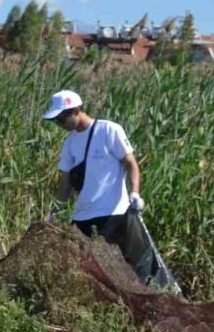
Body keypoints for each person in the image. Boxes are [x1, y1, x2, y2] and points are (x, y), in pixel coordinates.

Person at [43, 89, 152, 282]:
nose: (59, 124)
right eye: (56, 121)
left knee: (117, 272)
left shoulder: (108, 130)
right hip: (82, 218)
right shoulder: (69, 144)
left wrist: (135, 193)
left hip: (113, 214)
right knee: (84, 273)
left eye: (61, 119)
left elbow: (131, 164)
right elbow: (65, 185)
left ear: (76, 110)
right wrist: (54, 212)